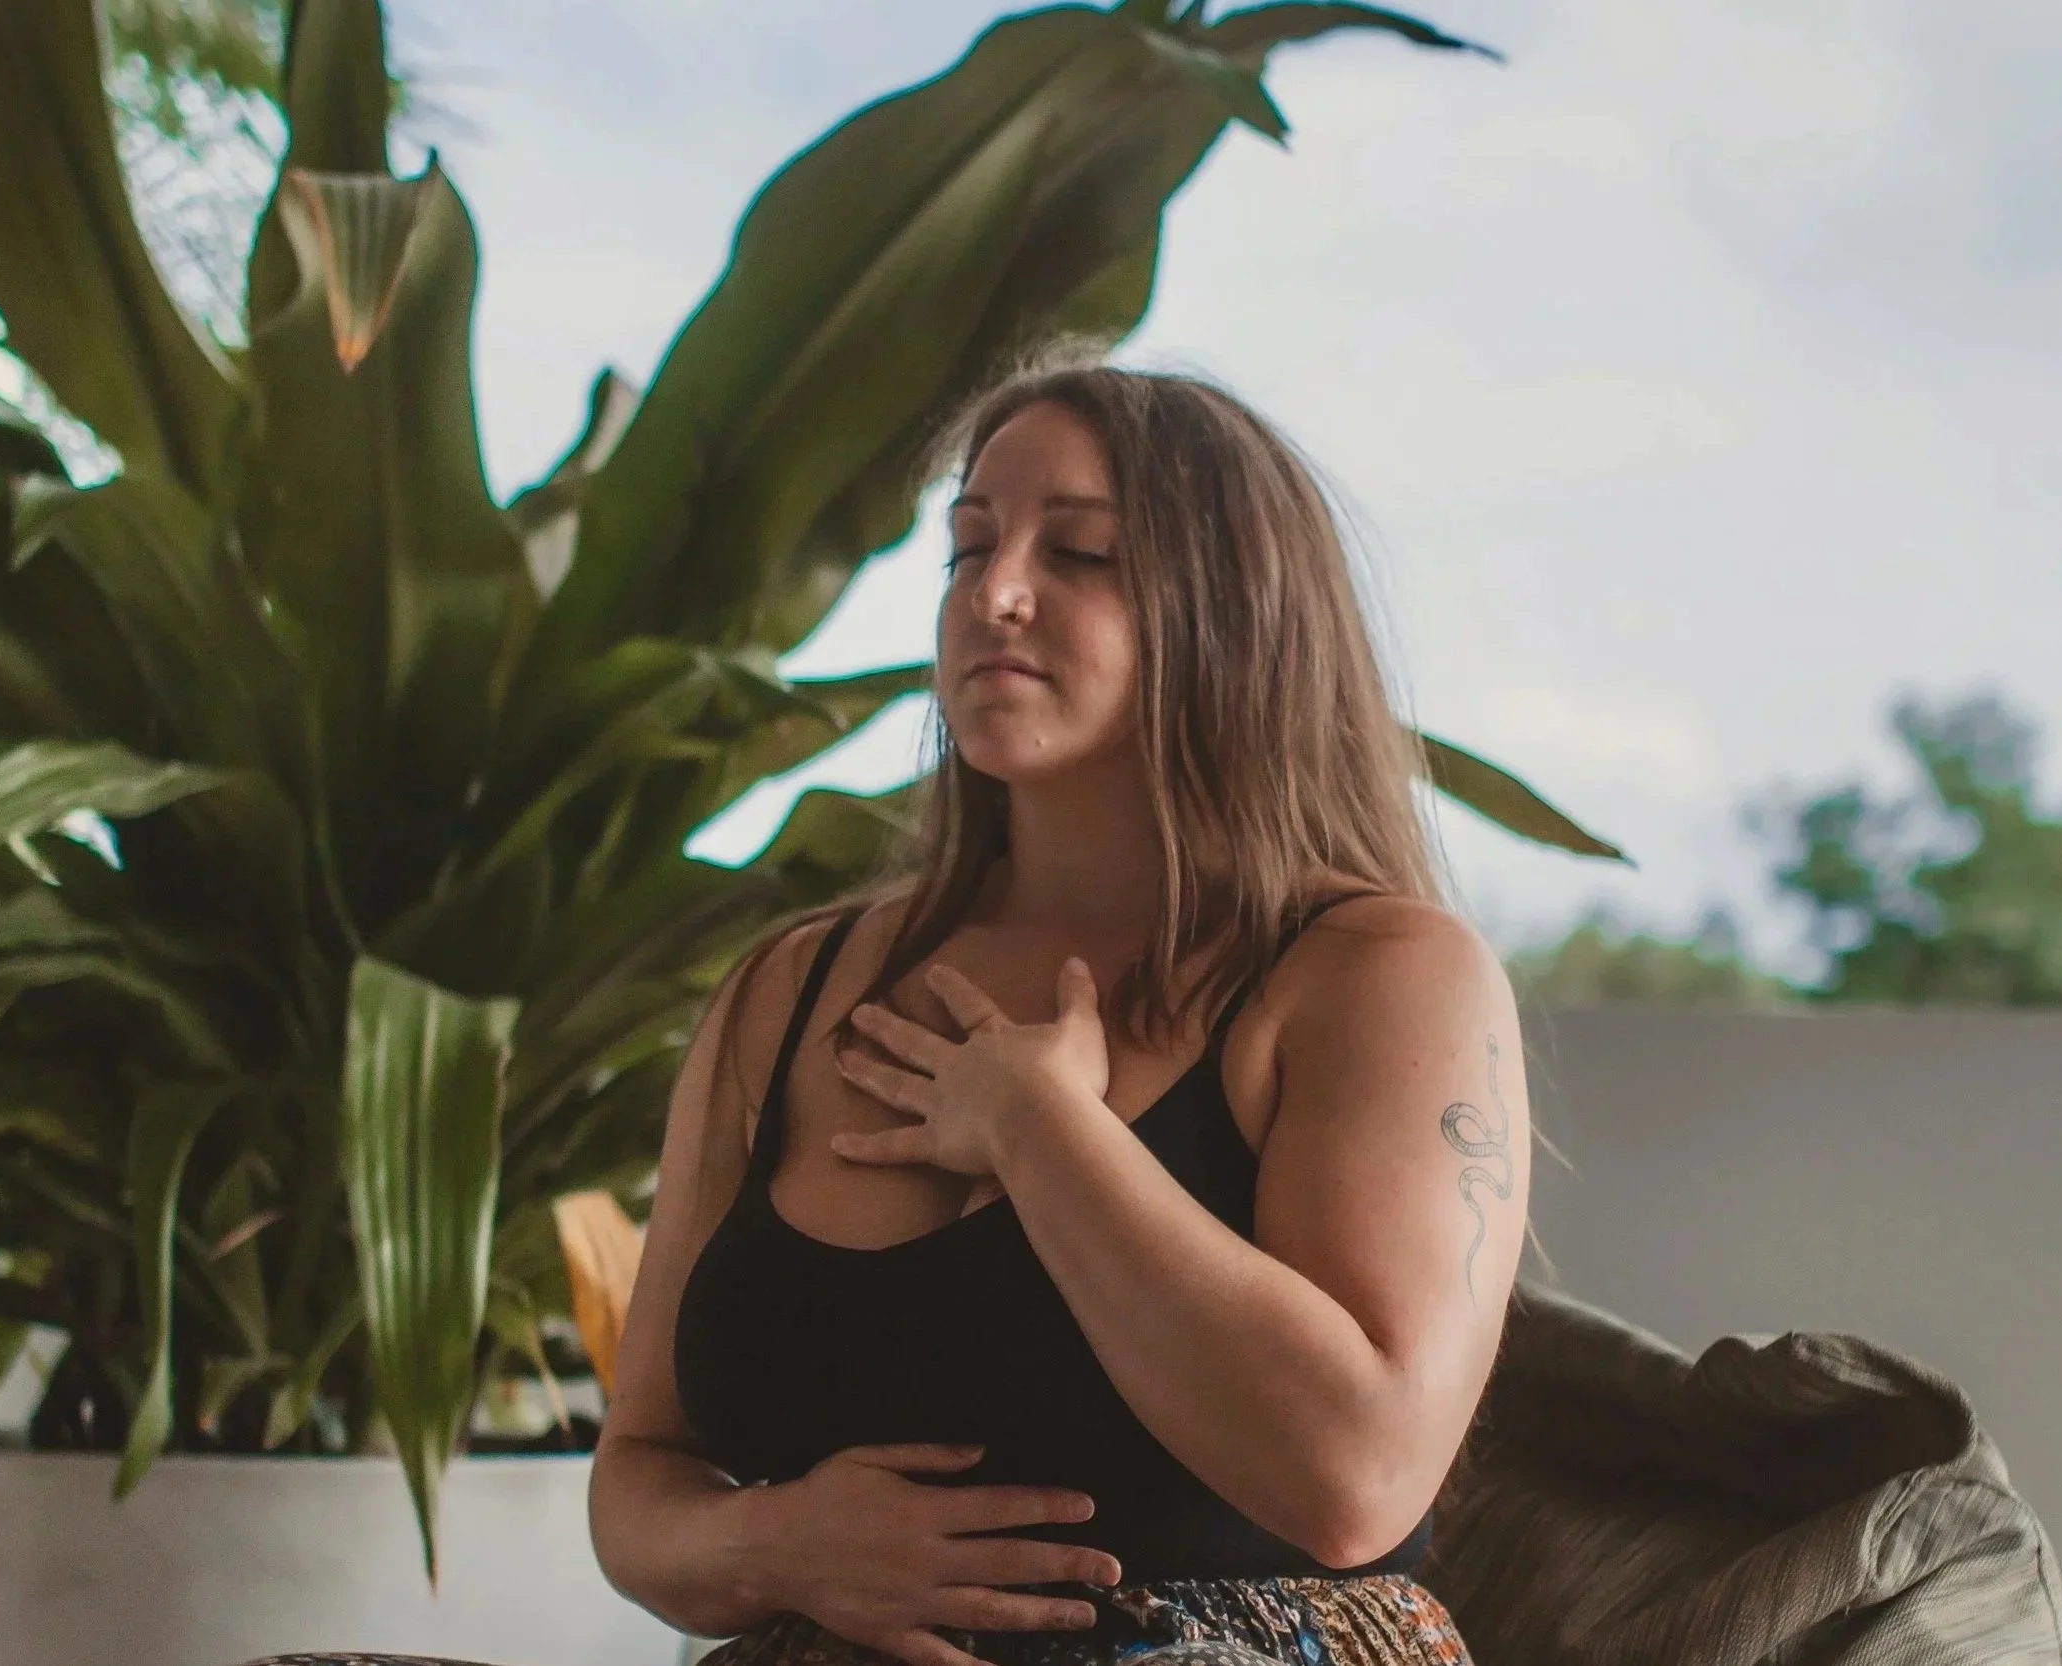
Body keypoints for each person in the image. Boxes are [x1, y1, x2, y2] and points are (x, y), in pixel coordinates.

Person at [588, 351, 1530, 1666]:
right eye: (967, 548)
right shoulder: (787, 992)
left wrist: (1042, 1132)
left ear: (1238, 612)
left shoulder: (1376, 972)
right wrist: (776, 1547)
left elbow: (1356, 1473)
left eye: (1079, 553)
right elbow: (640, 1471)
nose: (997, 591)